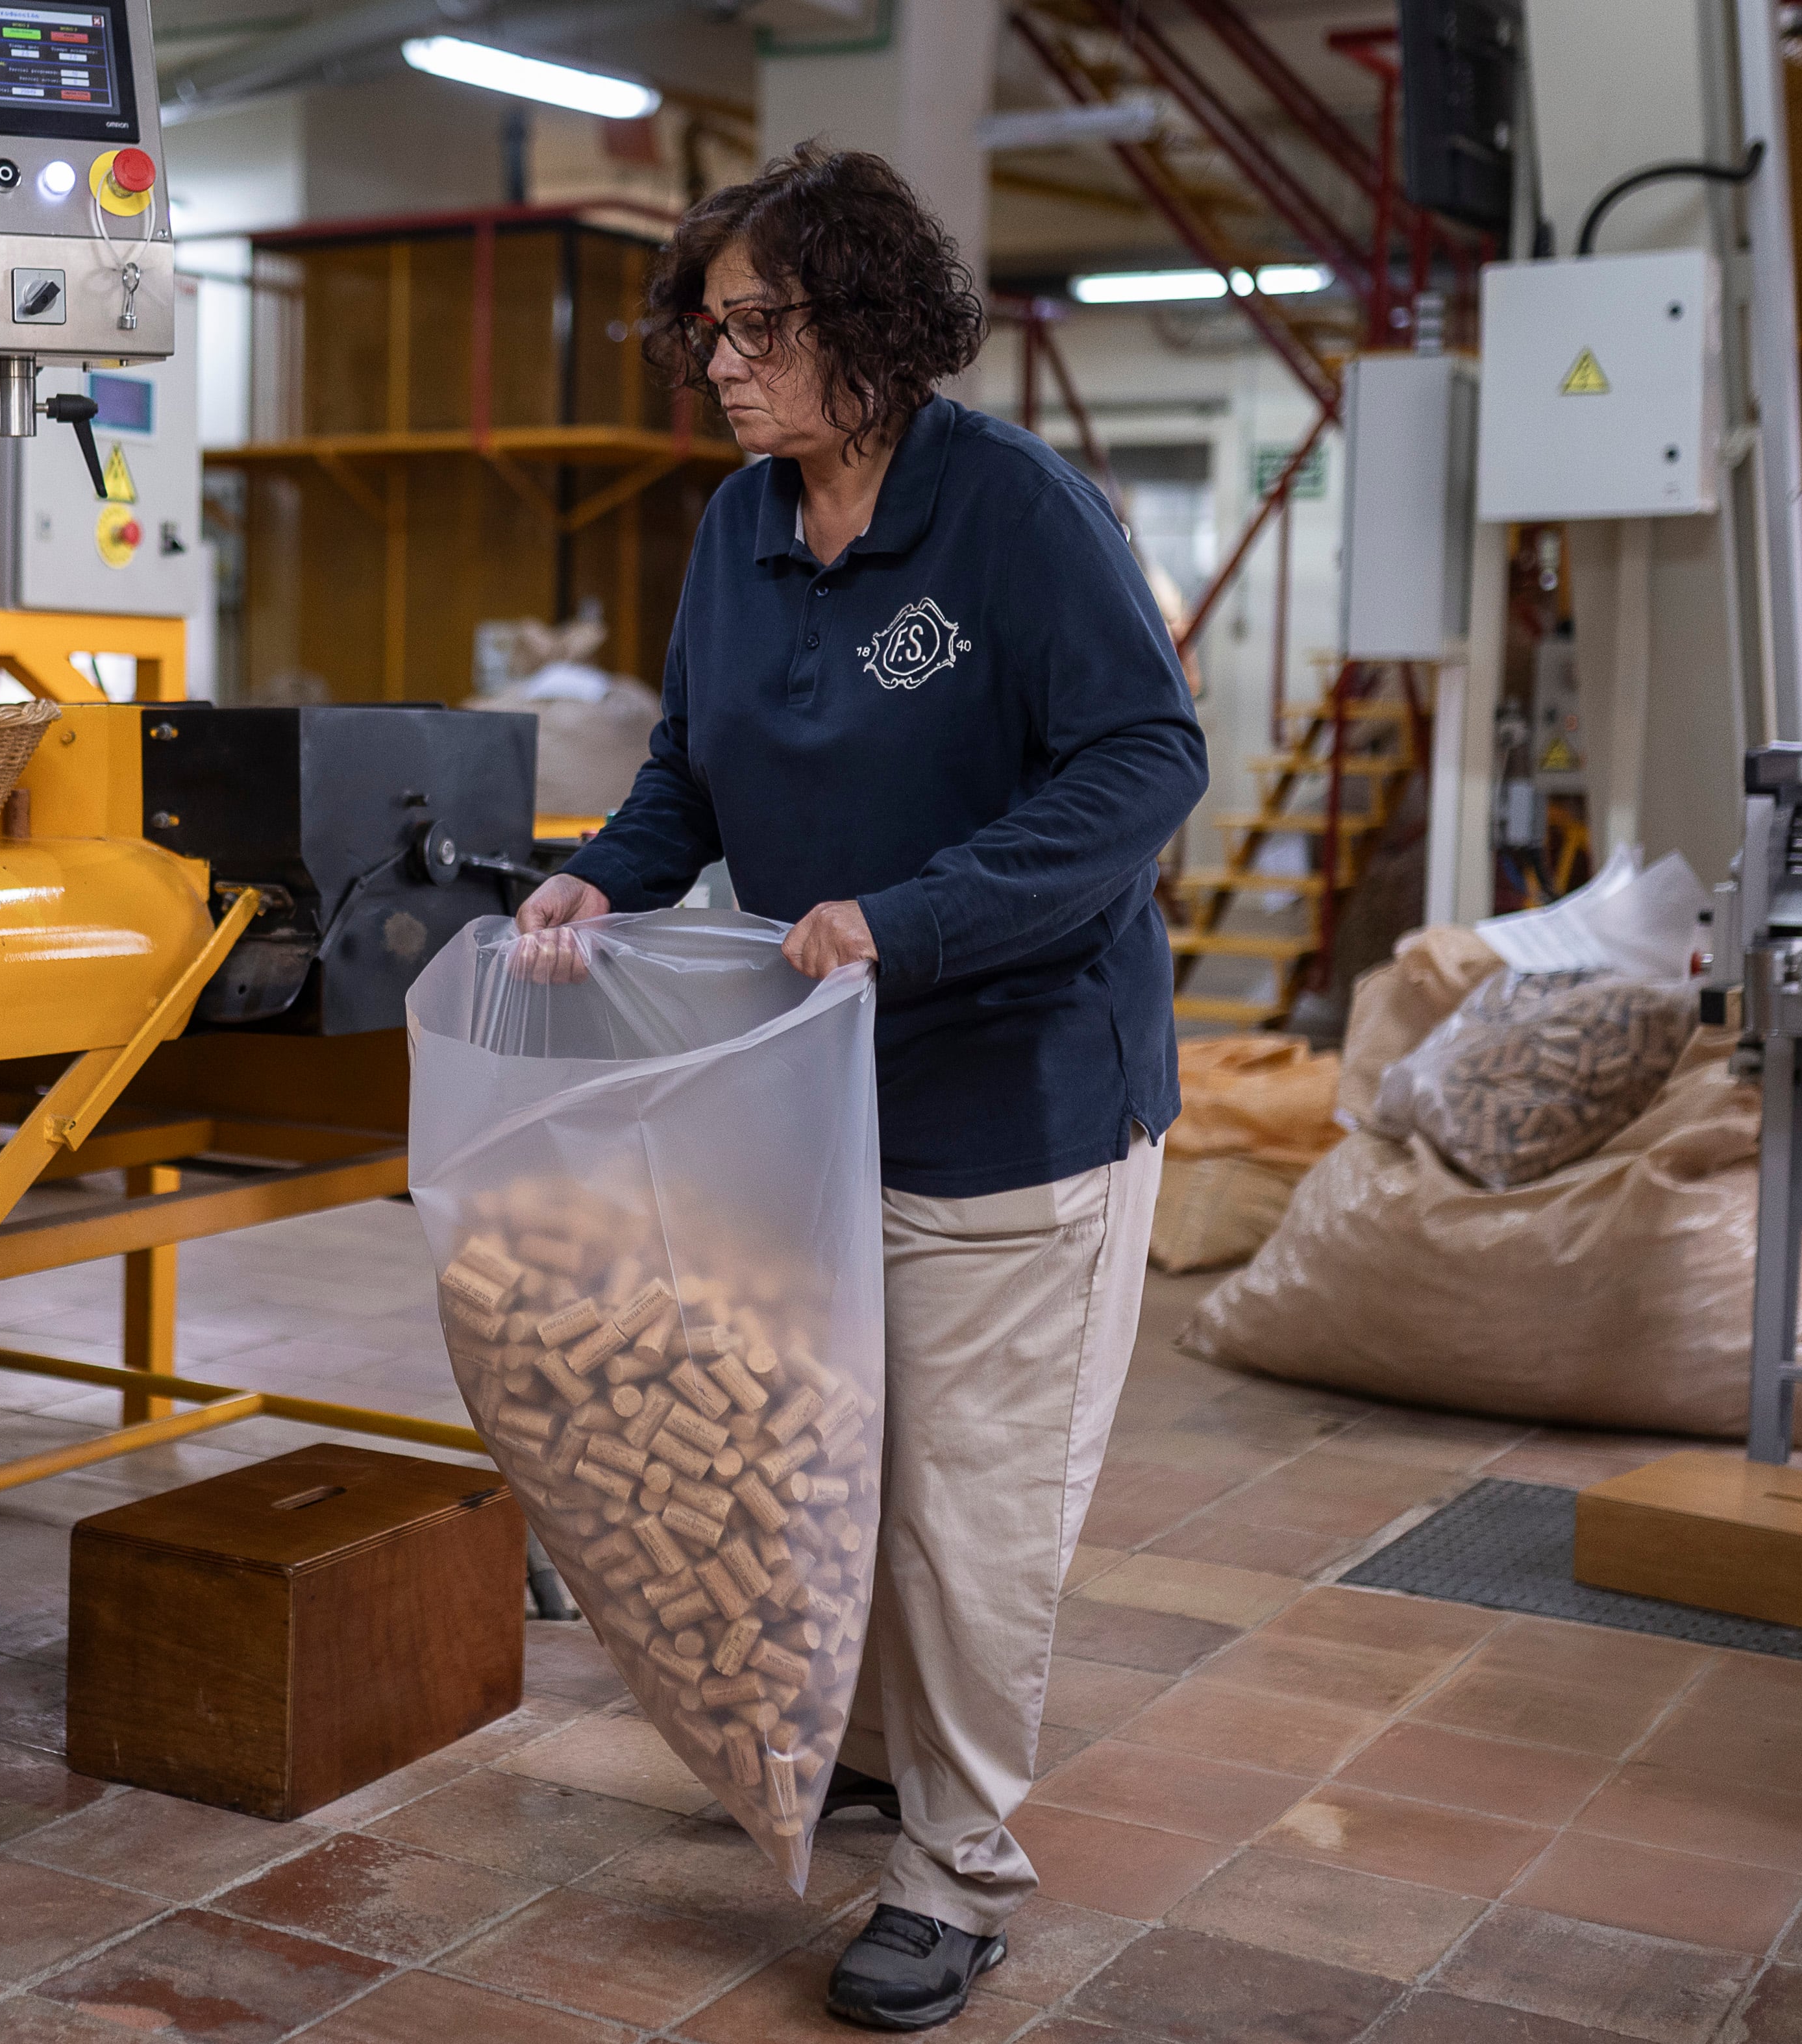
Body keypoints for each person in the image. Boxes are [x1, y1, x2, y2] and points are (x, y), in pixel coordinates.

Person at [511, 145, 1207, 2033]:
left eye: (764, 326)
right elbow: (692, 771)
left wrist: (916, 918)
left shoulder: (1012, 514)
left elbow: (1144, 762)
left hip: (1020, 1098)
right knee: (840, 1463)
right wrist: (601, 877)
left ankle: (957, 1875)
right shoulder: (740, 530)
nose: (723, 364)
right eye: (708, 329)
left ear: (875, 322)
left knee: (971, 1509)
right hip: (827, 1102)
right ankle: (885, 1756)